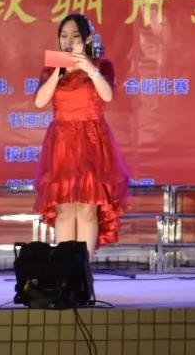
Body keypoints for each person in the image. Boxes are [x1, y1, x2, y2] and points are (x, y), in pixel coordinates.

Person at [33, 14, 130, 259]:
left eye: (75, 36)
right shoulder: (52, 68)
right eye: (63, 36)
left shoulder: (101, 65)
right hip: (62, 142)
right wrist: (58, 71)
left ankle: (83, 271)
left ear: (87, 39)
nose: (68, 41)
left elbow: (107, 96)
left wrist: (89, 68)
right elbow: (39, 101)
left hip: (92, 141)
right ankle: (66, 271)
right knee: (65, 209)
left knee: (87, 208)